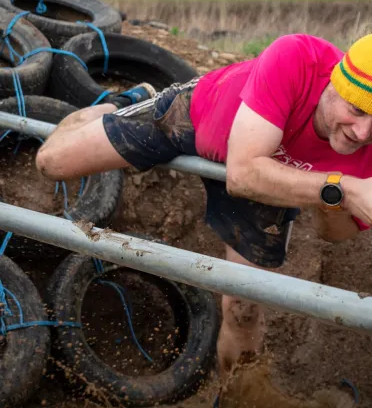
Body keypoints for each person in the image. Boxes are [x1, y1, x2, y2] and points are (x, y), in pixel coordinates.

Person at [36, 32, 372, 383]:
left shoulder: (364, 139)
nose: (363, 132)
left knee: (243, 308)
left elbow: (331, 234)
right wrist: (344, 187)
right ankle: (116, 106)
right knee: (50, 162)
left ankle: (232, 395)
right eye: (357, 110)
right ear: (334, 84)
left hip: (273, 177)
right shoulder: (297, 56)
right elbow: (242, 175)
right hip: (199, 118)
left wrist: (337, 195)